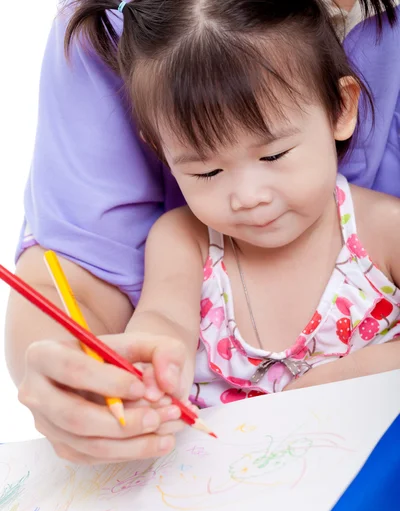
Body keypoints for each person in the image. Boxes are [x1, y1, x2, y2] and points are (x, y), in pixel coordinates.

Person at [5, 0, 399, 463]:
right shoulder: (184, 241)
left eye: (273, 156)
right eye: (207, 172)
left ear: (342, 108)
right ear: (160, 149)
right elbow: (161, 321)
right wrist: (137, 376)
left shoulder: (382, 228)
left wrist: (334, 384)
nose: (247, 196)